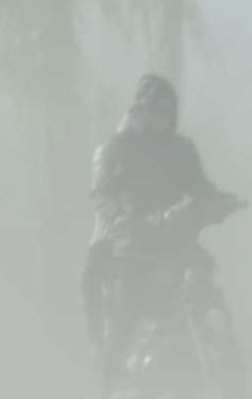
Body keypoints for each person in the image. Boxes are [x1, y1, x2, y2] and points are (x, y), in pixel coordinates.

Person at [82, 74, 242, 381]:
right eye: (156, 109)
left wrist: (223, 201)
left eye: (168, 110)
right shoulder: (118, 148)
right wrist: (119, 217)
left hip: (175, 236)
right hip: (136, 240)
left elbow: (199, 186)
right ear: (140, 109)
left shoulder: (182, 149)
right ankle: (107, 377)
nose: (162, 116)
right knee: (123, 299)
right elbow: (103, 193)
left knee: (205, 282)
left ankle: (231, 380)